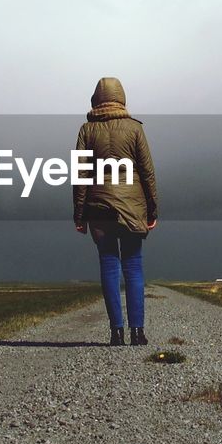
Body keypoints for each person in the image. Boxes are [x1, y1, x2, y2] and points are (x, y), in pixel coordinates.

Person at [73, 77, 158, 346]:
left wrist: (79, 214)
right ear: (122, 98)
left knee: (109, 265)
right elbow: (147, 173)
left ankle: (116, 333)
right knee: (133, 265)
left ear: (96, 99)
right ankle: (137, 332)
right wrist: (152, 211)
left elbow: (80, 176)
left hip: (98, 208)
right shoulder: (135, 129)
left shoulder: (86, 130)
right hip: (133, 207)